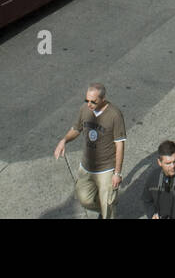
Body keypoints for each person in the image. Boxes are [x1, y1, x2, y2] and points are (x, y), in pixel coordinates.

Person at [53, 83, 126, 219]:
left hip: (106, 169)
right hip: (87, 167)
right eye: (87, 100)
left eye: (93, 101)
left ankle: (108, 209)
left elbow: (120, 145)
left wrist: (117, 173)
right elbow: (76, 129)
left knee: (108, 207)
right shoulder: (84, 110)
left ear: (103, 99)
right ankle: (106, 207)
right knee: (84, 199)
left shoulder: (114, 115)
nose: (89, 104)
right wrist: (64, 140)